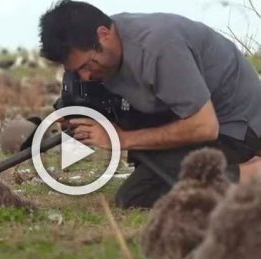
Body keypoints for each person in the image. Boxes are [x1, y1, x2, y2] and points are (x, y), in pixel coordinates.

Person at [38, 0, 261, 209]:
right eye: (76, 70)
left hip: (238, 128)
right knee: (145, 180)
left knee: (139, 194)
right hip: (202, 121)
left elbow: (204, 127)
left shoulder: (159, 48)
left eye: (87, 65)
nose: (85, 77)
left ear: (104, 34)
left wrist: (121, 139)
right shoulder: (106, 43)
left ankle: (252, 175)